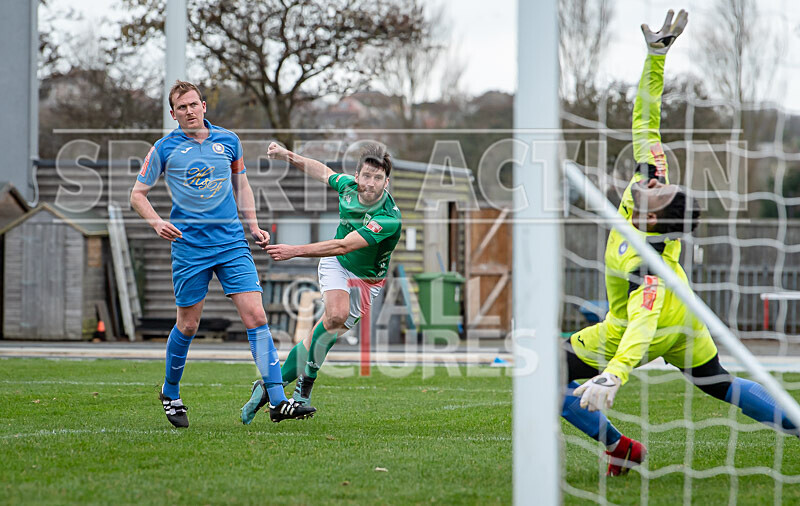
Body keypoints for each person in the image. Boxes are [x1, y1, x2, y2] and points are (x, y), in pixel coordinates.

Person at [563, 10, 799, 476]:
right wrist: (655, 58)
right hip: (686, 320)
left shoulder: (646, 263)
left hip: (640, 324)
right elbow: (646, 119)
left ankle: (619, 447)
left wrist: (615, 374)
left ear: (654, 221)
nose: (651, 181)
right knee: (720, 384)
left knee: (545, 374)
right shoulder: (649, 178)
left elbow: (640, 327)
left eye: (656, 192)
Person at [130, 80, 315, 428]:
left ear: (203, 106)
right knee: (188, 324)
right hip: (190, 248)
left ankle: (277, 402)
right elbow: (137, 194)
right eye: (181, 107)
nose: (188, 111)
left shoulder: (229, 141)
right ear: (173, 114)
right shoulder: (163, 149)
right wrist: (156, 222)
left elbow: (241, 184)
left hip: (231, 243)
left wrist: (254, 225)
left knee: (256, 316)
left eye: (193, 104)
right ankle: (171, 392)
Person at [239, 143, 402, 422]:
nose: (370, 183)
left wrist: (294, 251)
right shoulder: (349, 187)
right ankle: (304, 389)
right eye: (366, 176)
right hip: (336, 264)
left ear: (386, 182)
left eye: (378, 178)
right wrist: (288, 155)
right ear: (357, 175)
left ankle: (267, 387)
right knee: (335, 316)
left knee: (323, 334)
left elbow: (343, 245)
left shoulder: (388, 218)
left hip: (365, 282)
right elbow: (323, 171)